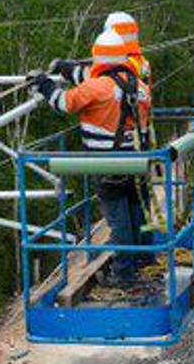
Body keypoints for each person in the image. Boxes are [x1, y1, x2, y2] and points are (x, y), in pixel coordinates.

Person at [28, 27, 152, 286]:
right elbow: (89, 77)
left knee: (117, 218)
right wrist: (66, 69)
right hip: (137, 159)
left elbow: (64, 102)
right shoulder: (139, 86)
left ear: (98, 57)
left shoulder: (97, 87)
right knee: (135, 210)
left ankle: (124, 273)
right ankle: (143, 258)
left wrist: (44, 84)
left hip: (108, 163)